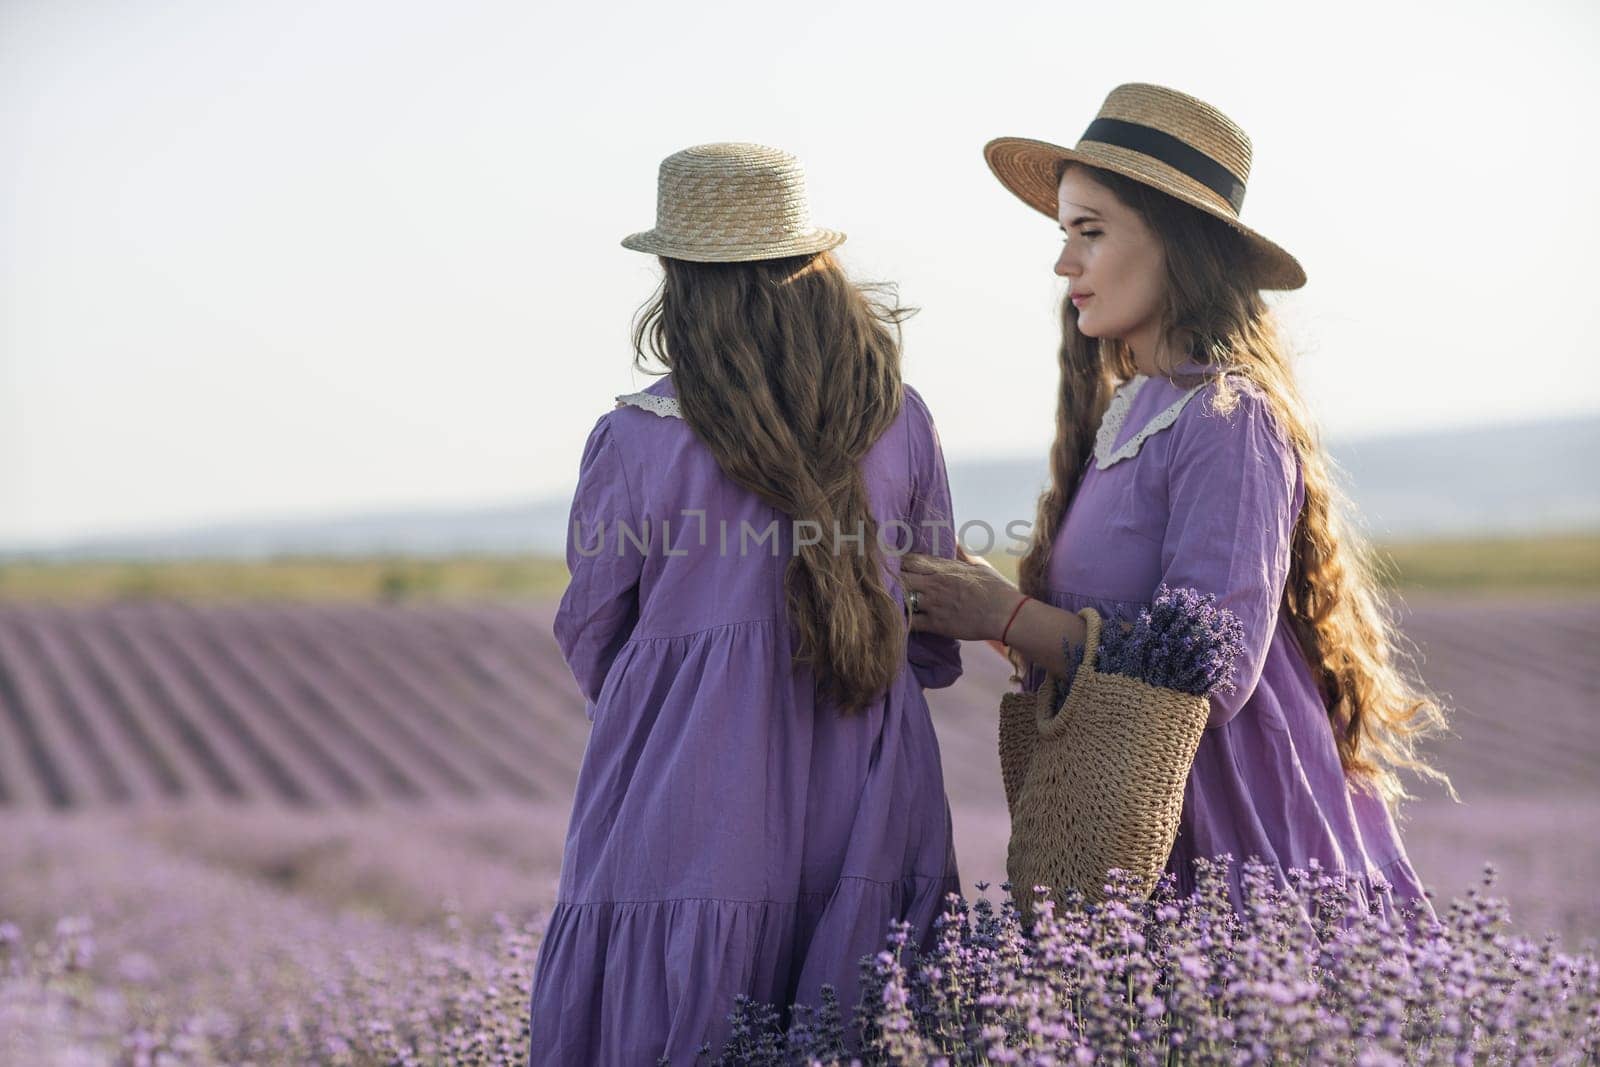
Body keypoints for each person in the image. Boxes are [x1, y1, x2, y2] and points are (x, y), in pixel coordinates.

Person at [901, 84, 1454, 920]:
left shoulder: (1229, 419)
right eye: (1064, 234)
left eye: (1091, 232)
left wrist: (1005, 615)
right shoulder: (1135, 409)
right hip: (1135, 823)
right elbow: (1100, 633)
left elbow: (1213, 669)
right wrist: (972, 607)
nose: (1064, 264)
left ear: (1177, 244)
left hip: (1232, 833)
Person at [527, 142, 964, 1065]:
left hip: (689, 786)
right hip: (872, 782)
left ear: (676, 281)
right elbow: (934, 623)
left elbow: (595, 632)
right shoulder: (900, 417)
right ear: (816, 271)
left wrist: (695, 691)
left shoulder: (635, 441)